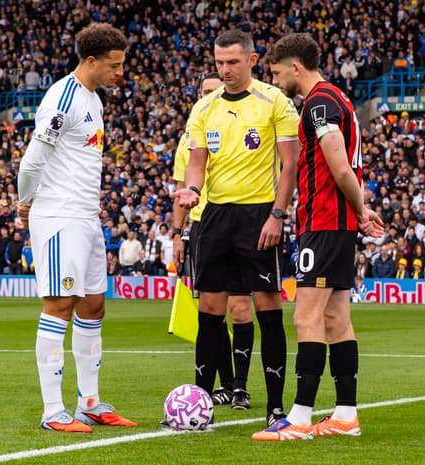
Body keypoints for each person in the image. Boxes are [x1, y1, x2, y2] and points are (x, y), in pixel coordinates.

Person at [252, 32, 384, 440]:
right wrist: (359, 210)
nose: (275, 82)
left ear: (295, 68)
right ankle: (345, 415)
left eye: (276, 73)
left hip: (325, 222)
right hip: (336, 224)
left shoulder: (319, 104)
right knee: (336, 318)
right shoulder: (338, 98)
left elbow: (340, 166)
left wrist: (360, 211)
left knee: (306, 316)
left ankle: (300, 417)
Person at [173, 29, 300, 426]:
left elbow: (290, 164)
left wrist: (277, 215)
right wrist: (191, 190)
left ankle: (276, 406)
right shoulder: (204, 108)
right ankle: (202, 404)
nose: (225, 70)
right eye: (219, 63)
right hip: (214, 218)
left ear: (251, 59)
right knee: (209, 312)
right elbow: (196, 162)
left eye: (231, 62)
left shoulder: (274, 101)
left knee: (266, 309)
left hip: (258, 215)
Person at [16, 23, 136, 433]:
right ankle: (53, 411)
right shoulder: (63, 97)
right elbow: (32, 161)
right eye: (114, 65)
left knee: (93, 306)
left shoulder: (94, 99)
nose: (121, 72)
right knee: (60, 306)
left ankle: (89, 403)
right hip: (58, 215)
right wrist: (23, 205)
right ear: (90, 61)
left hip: (85, 215)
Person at [171, 71, 246, 407]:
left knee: (240, 307)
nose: (209, 95)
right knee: (211, 312)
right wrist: (177, 232)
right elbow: (180, 188)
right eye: (204, 90)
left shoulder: (238, 127)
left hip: (237, 220)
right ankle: (222, 384)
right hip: (202, 228)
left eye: (215, 90)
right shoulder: (189, 138)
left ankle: (237, 385)